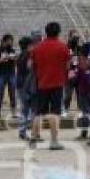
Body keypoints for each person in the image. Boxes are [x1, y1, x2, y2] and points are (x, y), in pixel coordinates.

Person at [28, 22, 71, 150]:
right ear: (58, 32)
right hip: (57, 83)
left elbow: (30, 65)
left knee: (38, 113)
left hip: (42, 83)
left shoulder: (37, 48)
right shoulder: (63, 47)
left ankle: (33, 138)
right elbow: (68, 66)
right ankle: (54, 141)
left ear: (46, 32)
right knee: (55, 113)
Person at [16, 36, 37, 141]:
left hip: (20, 84)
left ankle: (22, 131)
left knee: (24, 109)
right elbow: (30, 67)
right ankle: (33, 132)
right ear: (29, 45)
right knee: (32, 109)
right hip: (28, 85)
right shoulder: (29, 55)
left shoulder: (19, 56)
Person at [0, 34, 18, 118]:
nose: (11, 42)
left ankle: (14, 112)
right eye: (9, 41)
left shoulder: (12, 50)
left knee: (12, 93)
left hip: (11, 74)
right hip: (1, 74)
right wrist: (3, 59)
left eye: (11, 41)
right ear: (4, 41)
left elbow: (15, 60)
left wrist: (13, 58)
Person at [64, 33, 82, 114]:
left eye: (77, 38)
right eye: (74, 38)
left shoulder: (80, 48)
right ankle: (65, 108)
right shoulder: (66, 48)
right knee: (68, 94)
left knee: (79, 93)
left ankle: (81, 109)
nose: (76, 40)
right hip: (69, 73)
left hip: (78, 72)